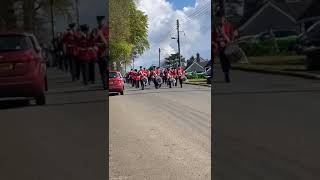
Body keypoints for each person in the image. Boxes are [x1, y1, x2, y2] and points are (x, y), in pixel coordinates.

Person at [216, 15, 235, 83]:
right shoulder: (217, 27)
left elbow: (232, 34)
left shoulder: (229, 25)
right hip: (221, 47)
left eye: (222, 19)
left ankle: (227, 71)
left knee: (228, 59)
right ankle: (226, 74)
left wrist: (232, 40)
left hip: (228, 45)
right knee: (223, 61)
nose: (221, 20)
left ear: (224, 19)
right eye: (219, 19)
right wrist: (220, 41)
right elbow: (216, 37)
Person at [95, 16, 109, 90]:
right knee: (102, 70)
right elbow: (94, 42)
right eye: (99, 21)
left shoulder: (107, 29)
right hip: (100, 53)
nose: (100, 23)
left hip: (107, 53)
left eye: (101, 21)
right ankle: (105, 85)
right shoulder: (97, 31)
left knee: (106, 70)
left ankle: (106, 84)